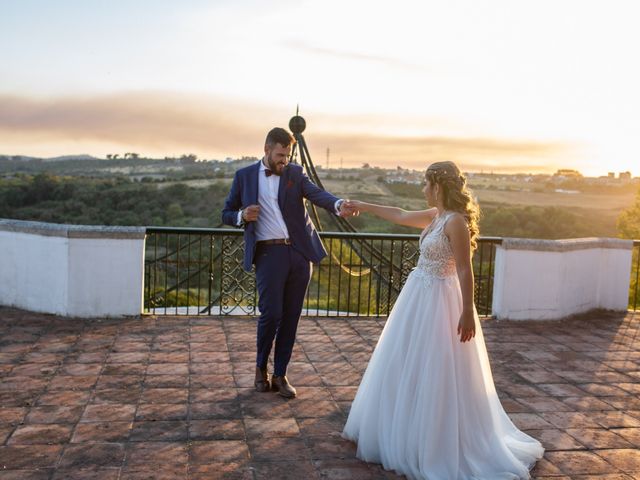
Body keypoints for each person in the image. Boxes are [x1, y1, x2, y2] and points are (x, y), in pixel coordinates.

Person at [341, 161, 543, 479]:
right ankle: (405, 432)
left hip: (441, 301)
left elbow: (464, 268)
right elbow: (401, 214)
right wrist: (362, 206)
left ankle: (437, 443)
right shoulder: (437, 216)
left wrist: (466, 310)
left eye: (425, 184)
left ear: (438, 186)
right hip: (418, 296)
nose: (423, 189)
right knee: (407, 364)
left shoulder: (456, 222)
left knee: (438, 367)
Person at [221, 127, 355, 398]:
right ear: (267, 149)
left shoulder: (295, 173)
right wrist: (242, 216)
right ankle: (261, 368)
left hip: (299, 254)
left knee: (292, 317)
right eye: (280, 155)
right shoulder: (244, 176)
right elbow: (226, 212)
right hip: (269, 255)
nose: (284, 160)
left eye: (288, 155)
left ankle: (281, 374)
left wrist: (339, 204)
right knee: (271, 314)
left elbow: (318, 195)